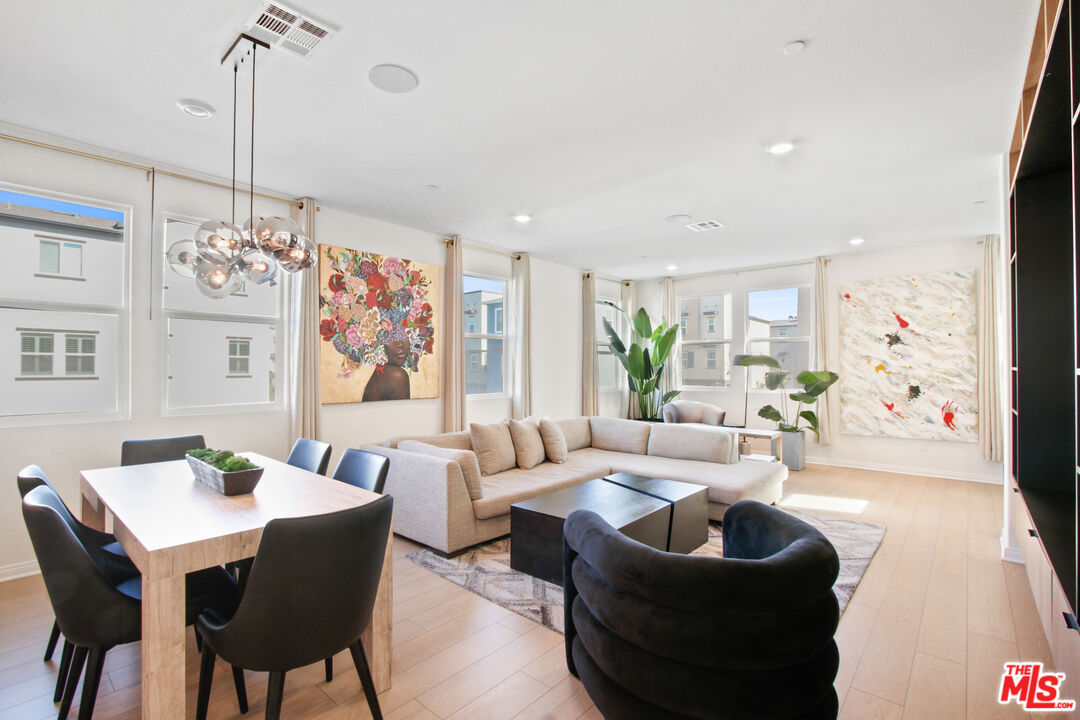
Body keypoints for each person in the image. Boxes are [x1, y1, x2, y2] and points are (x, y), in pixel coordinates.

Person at [362, 334, 411, 401]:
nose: (400, 344)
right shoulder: (396, 376)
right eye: (391, 338)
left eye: (404, 337)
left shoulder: (382, 372)